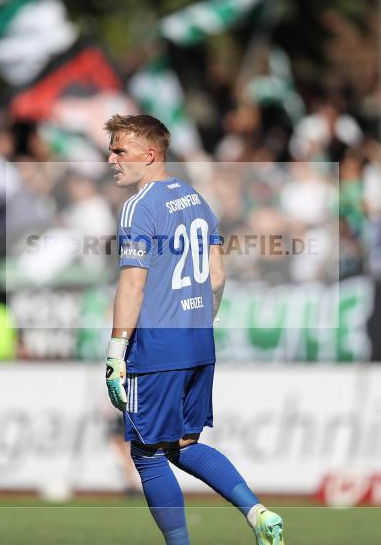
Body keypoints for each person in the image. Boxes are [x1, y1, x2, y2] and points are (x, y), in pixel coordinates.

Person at [102, 114, 284, 545]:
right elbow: (217, 275)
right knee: (182, 444)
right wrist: (205, 317)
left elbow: (133, 282)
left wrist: (115, 351)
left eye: (119, 150)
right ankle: (256, 512)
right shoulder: (196, 199)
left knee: (146, 454)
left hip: (158, 344)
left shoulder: (138, 206)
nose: (111, 159)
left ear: (150, 154)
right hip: (199, 340)